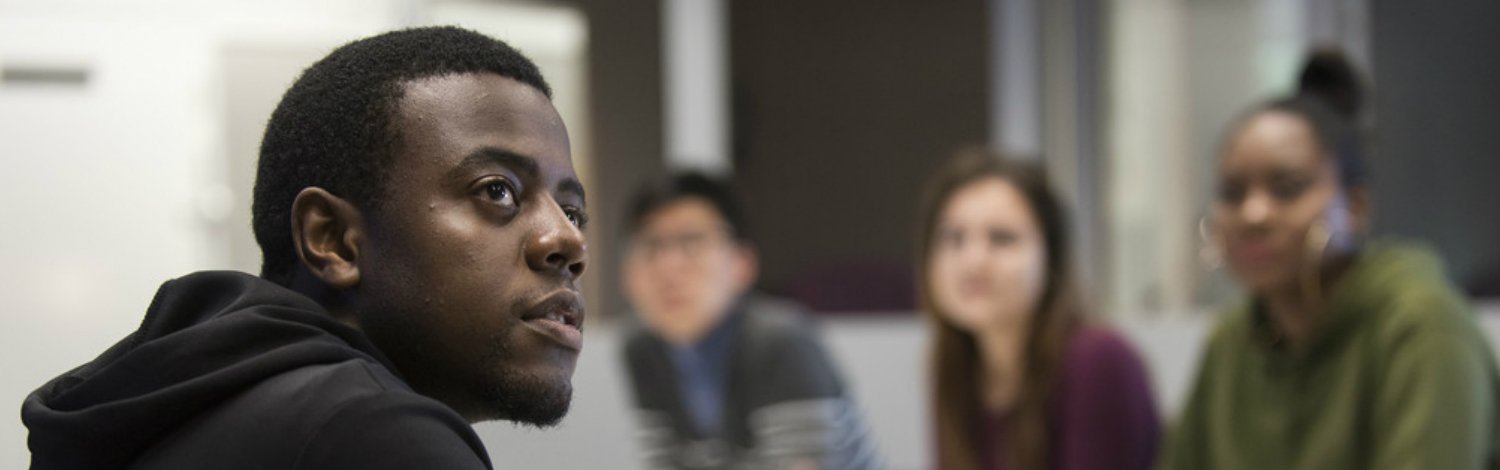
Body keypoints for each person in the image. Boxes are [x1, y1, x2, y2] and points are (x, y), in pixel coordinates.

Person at [22, 26, 589, 469]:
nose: (567, 240)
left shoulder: (204, 407)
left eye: (571, 210)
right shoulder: (373, 431)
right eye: (498, 191)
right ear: (334, 240)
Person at [1159, 50, 1500, 470]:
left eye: (1287, 188)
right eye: (1232, 193)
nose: (1253, 215)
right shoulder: (1230, 343)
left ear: (1355, 207)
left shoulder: (1422, 328)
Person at [618, 172, 882, 470]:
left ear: (743, 263)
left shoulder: (782, 341)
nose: (668, 266)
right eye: (650, 246)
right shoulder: (641, 347)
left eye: (691, 242)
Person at [918, 149, 1160, 470]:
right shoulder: (956, 371)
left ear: (1051, 256)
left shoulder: (1099, 360)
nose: (973, 260)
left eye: (1002, 238)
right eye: (953, 238)